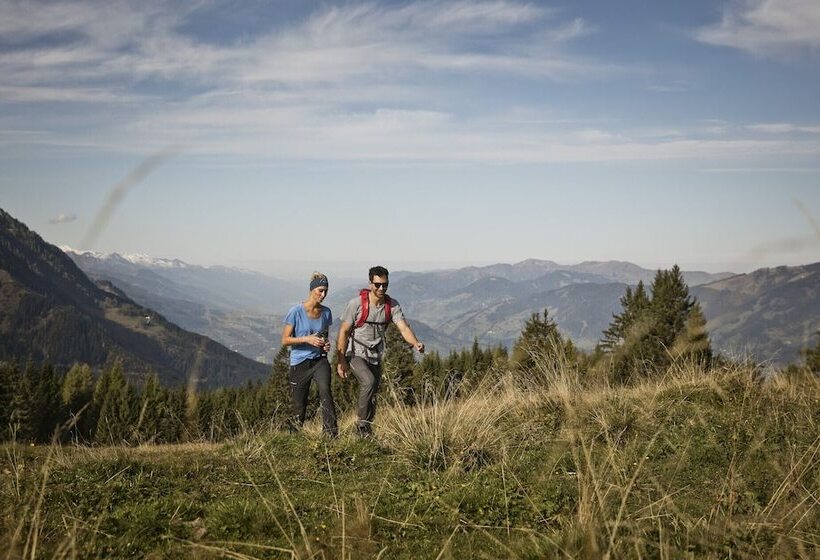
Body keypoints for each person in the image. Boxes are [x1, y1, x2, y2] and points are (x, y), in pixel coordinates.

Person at [336, 265, 424, 437]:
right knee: (368, 382)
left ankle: (368, 429)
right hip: (355, 353)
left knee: (373, 392)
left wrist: (416, 343)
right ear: (370, 283)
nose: (381, 288)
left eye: (385, 285)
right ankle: (361, 426)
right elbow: (344, 331)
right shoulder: (355, 305)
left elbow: (403, 328)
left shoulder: (392, 306)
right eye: (377, 285)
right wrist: (341, 361)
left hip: (376, 355)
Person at [281, 272, 337, 437]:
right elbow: (285, 340)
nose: (323, 294)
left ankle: (331, 436)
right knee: (299, 405)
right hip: (300, 362)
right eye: (320, 290)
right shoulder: (296, 311)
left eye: (326, 291)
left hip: (319, 360)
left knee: (325, 392)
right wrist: (307, 339)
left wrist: (325, 345)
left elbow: (324, 336)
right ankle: (294, 438)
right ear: (312, 289)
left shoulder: (327, 312)